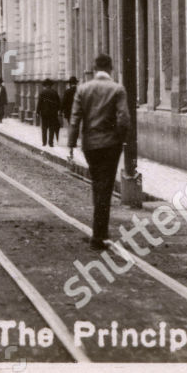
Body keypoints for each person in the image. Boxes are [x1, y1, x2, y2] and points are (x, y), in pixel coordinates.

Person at [67, 55, 130, 250]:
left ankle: (99, 231)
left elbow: (75, 118)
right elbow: (124, 118)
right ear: (111, 68)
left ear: (94, 68)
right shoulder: (117, 89)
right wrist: (120, 138)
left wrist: (71, 143)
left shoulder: (83, 89)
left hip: (90, 145)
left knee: (98, 185)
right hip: (110, 145)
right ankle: (99, 234)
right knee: (105, 186)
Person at [37, 80, 62, 147]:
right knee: (52, 128)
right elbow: (59, 103)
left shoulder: (42, 92)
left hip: (44, 113)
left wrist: (37, 112)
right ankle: (51, 143)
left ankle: (44, 142)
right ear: (51, 85)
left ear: (45, 85)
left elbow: (39, 103)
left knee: (44, 128)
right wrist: (58, 110)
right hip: (53, 113)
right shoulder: (54, 92)